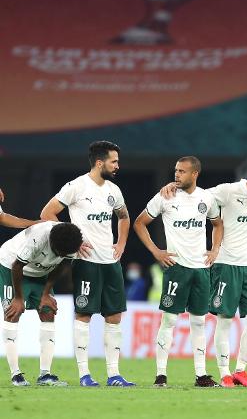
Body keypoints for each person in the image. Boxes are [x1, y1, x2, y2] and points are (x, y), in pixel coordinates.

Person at [160, 167, 247, 388]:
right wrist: (173, 187)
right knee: (225, 321)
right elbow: (197, 194)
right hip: (226, 265)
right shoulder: (228, 191)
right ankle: (224, 373)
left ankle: (241, 370)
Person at [40, 141, 134, 387]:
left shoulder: (113, 190)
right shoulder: (76, 187)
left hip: (110, 262)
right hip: (86, 263)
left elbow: (124, 217)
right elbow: (47, 213)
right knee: (84, 315)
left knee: (114, 316)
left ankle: (114, 374)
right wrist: (73, 241)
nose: (117, 166)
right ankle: (84, 375)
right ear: (99, 162)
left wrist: (121, 243)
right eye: (113, 161)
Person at [133, 156, 223, 388]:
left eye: (182, 171)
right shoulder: (166, 196)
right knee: (170, 320)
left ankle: (201, 375)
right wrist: (156, 251)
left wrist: (214, 250)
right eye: (175, 171)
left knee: (200, 322)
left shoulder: (206, 198)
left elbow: (218, 224)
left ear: (195, 174)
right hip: (177, 268)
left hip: (201, 269)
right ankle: (161, 375)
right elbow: (139, 223)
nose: (176, 175)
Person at [0, 222, 83, 386]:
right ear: (51, 242)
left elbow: (62, 264)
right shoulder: (37, 238)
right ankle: (16, 374)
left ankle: (45, 375)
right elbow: (17, 265)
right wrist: (18, 298)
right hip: (11, 266)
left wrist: (46, 293)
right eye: (58, 251)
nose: (60, 255)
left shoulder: (73, 241)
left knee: (48, 312)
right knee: (12, 314)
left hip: (40, 273)